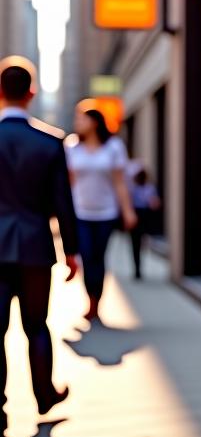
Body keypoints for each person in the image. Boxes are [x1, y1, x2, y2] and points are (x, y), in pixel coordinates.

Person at [0, 57, 79, 437]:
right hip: (34, 248)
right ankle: (44, 395)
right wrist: (73, 252)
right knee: (36, 325)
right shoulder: (50, 142)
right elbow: (62, 202)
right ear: (31, 93)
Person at [66, 106, 136, 321]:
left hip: (106, 213)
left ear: (94, 122)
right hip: (80, 213)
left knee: (99, 257)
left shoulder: (113, 147)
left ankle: (98, 299)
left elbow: (119, 182)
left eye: (82, 119)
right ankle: (91, 301)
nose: (77, 123)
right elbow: (68, 183)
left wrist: (128, 211)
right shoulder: (72, 147)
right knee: (87, 256)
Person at [127, 164, 160, 279]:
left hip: (144, 217)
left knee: (138, 243)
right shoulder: (133, 188)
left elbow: (155, 203)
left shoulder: (149, 188)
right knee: (136, 243)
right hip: (137, 215)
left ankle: (138, 267)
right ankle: (137, 269)